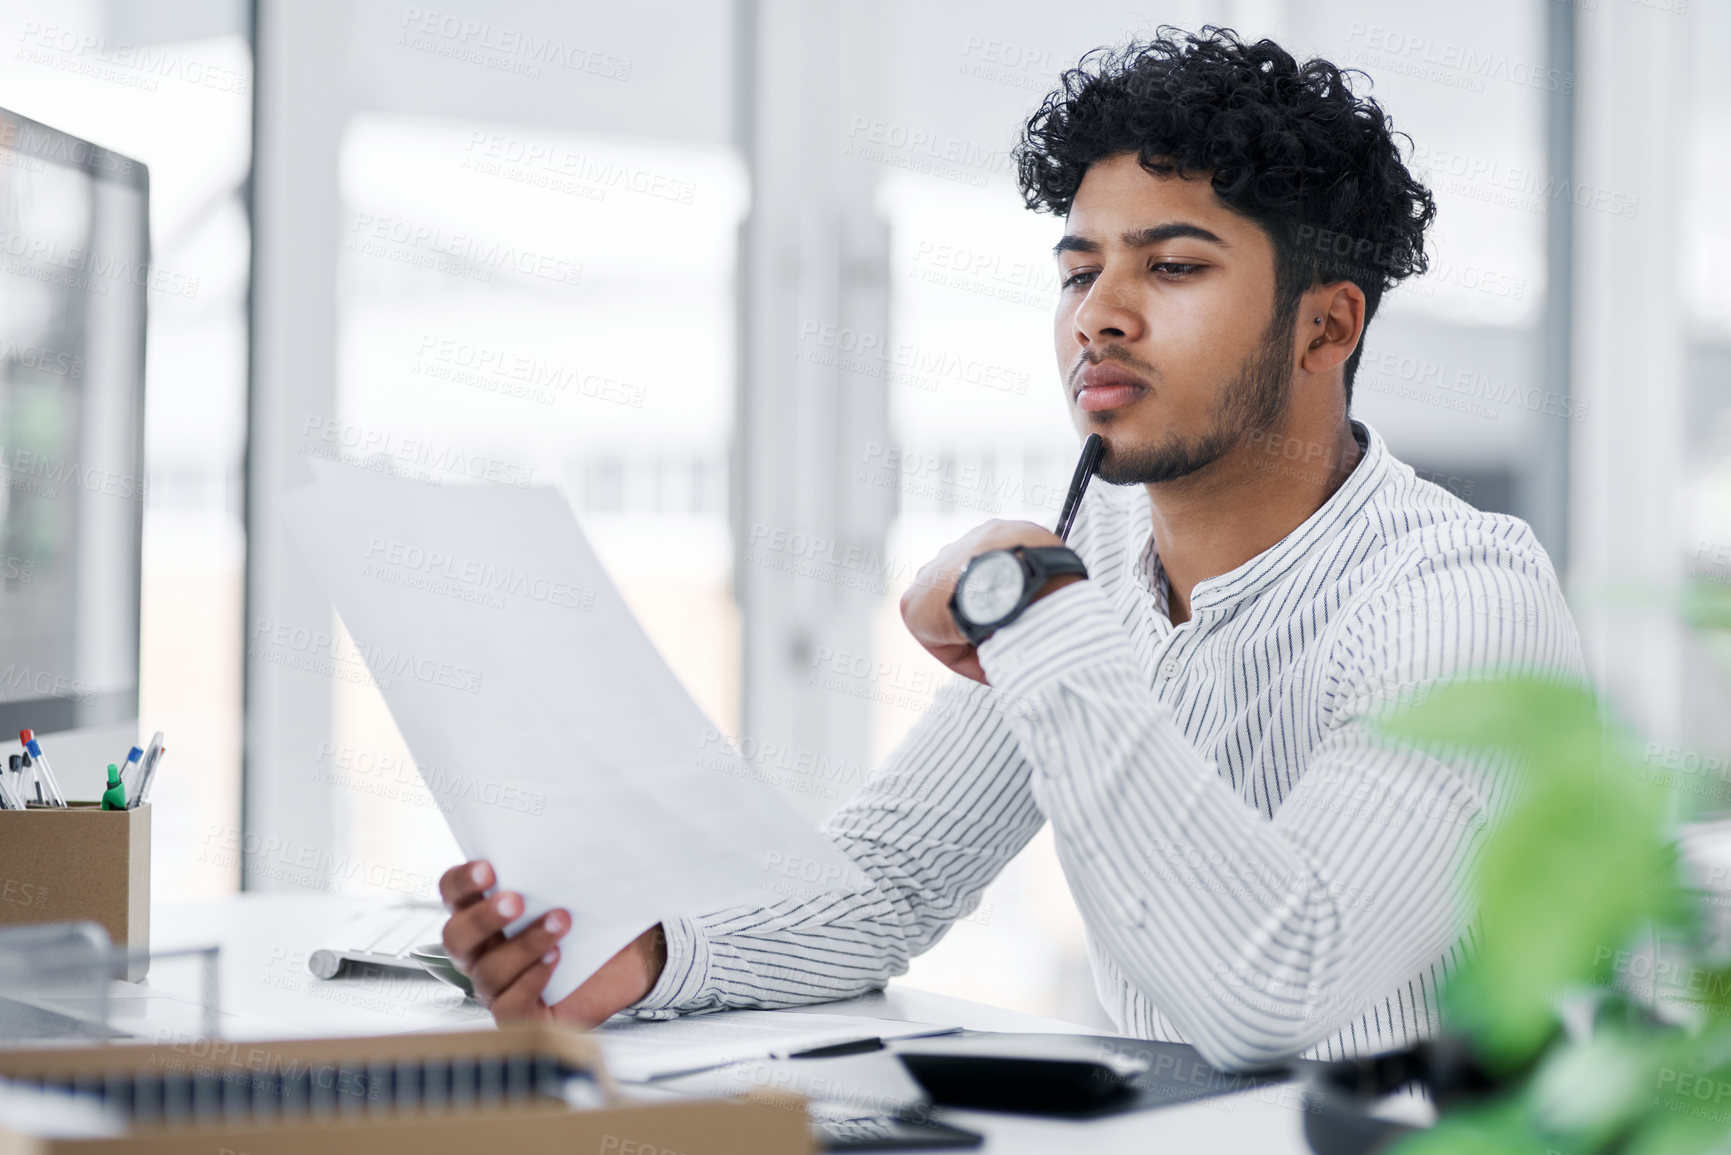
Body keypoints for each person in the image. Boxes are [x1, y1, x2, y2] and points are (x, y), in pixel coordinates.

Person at [438, 25, 1584, 1071]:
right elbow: (891, 880)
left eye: (1172, 267)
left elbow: (1275, 989)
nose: (1099, 315)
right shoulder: (1100, 562)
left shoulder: (1458, 598)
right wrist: (641, 958)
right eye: (1082, 271)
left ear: (1326, 325)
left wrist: (1021, 594)